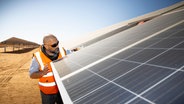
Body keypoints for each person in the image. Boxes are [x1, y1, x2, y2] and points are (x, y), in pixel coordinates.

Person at [29, 34, 66, 104]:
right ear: (46, 46)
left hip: (62, 90)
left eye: (57, 43)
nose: (57, 46)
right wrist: (42, 73)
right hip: (47, 93)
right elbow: (31, 74)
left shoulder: (63, 51)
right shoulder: (37, 57)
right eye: (54, 45)